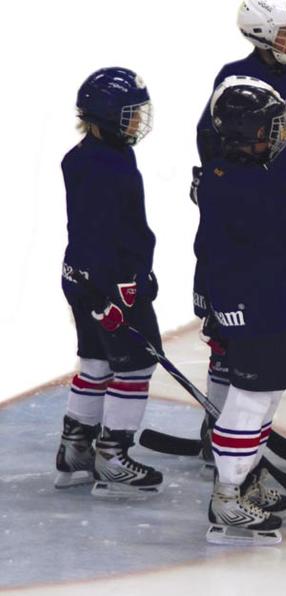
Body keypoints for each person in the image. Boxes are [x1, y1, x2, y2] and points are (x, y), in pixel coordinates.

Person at [197, 76, 286, 544]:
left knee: (267, 388)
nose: (278, 136)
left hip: (255, 295)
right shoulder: (238, 186)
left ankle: (244, 479)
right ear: (243, 134)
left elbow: (274, 172)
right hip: (248, 300)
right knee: (252, 396)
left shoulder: (231, 168)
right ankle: (227, 497)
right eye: (271, 129)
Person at [55, 67, 163, 499]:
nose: (137, 121)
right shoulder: (104, 167)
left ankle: (75, 449)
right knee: (136, 364)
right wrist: (114, 291)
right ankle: (112, 456)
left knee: (96, 360)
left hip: (81, 277)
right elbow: (102, 233)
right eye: (129, 114)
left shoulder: (92, 155)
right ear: (104, 116)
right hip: (109, 283)